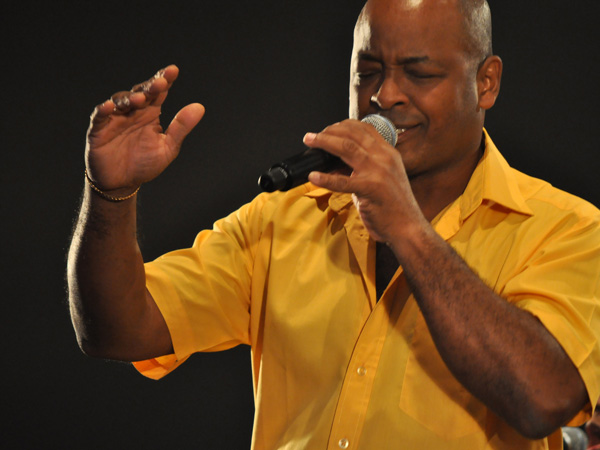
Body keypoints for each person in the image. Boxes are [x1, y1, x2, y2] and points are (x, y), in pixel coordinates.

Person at [67, 0, 600, 448]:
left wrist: (408, 230)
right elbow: (117, 330)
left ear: (486, 83)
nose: (384, 96)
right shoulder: (285, 216)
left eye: (419, 73)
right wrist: (111, 193)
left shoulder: (568, 229)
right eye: (367, 71)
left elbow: (545, 400)